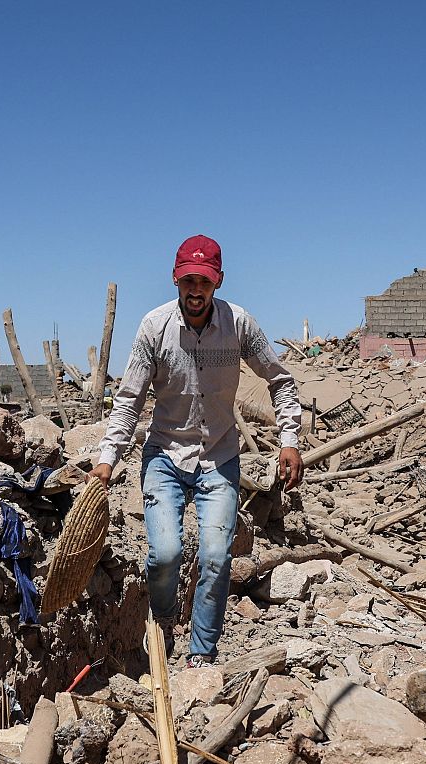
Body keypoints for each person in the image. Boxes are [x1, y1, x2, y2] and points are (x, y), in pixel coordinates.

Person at [88, 235, 303, 667]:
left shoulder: (239, 324)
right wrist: (107, 459)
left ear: (217, 281)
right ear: (175, 279)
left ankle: (202, 652)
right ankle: (164, 621)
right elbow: (129, 398)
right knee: (165, 554)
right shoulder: (154, 327)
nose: (195, 290)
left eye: (204, 281)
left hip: (220, 456)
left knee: (216, 556)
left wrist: (290, 440)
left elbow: (280, 380)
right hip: (165, 454)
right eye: (188, 280)